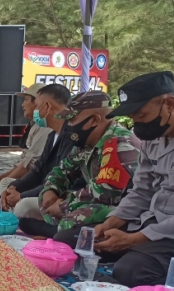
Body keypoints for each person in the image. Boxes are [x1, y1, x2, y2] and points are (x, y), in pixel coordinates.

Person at [73, 71, 174, 287]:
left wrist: (136, 240)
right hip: (150, 221)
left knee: (131, 271)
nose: (137, 125)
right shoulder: (154, 135)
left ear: (169, 104)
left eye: (142, 116)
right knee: (77, 240)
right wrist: (110, 223)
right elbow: (141, 191)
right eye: (134, 118)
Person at [28, 91, 139, 237]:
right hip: (92, 201)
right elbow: (62, 171)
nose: (68, 125)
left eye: (72, 120)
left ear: (94, 120)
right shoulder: (85, 142)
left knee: (75, 220)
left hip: (122, 210)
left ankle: (59, 234)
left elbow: (104, 193)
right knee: (41, 201)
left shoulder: (120, 145)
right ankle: (57, 232)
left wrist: (63, 206)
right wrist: (51, 190)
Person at [1, 85, 73, 227]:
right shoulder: (52, 134)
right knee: (6, 185)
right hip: (44, 189)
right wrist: (13, 187)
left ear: (47, 107)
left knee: (24, 206)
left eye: (37, 106)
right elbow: (38, 170)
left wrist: (21, 195)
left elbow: (62, 182)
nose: (35, 111)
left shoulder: (72, 136)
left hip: (60, 195)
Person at [0, 83, 54, 202]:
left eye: (26, 100)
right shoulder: (35, 125)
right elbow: (23, 162)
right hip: (27, 177)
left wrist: (5, 180)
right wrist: (1, 177)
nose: (22, 105)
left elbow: (29, 167)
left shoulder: (45, 128)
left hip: (34, 180)